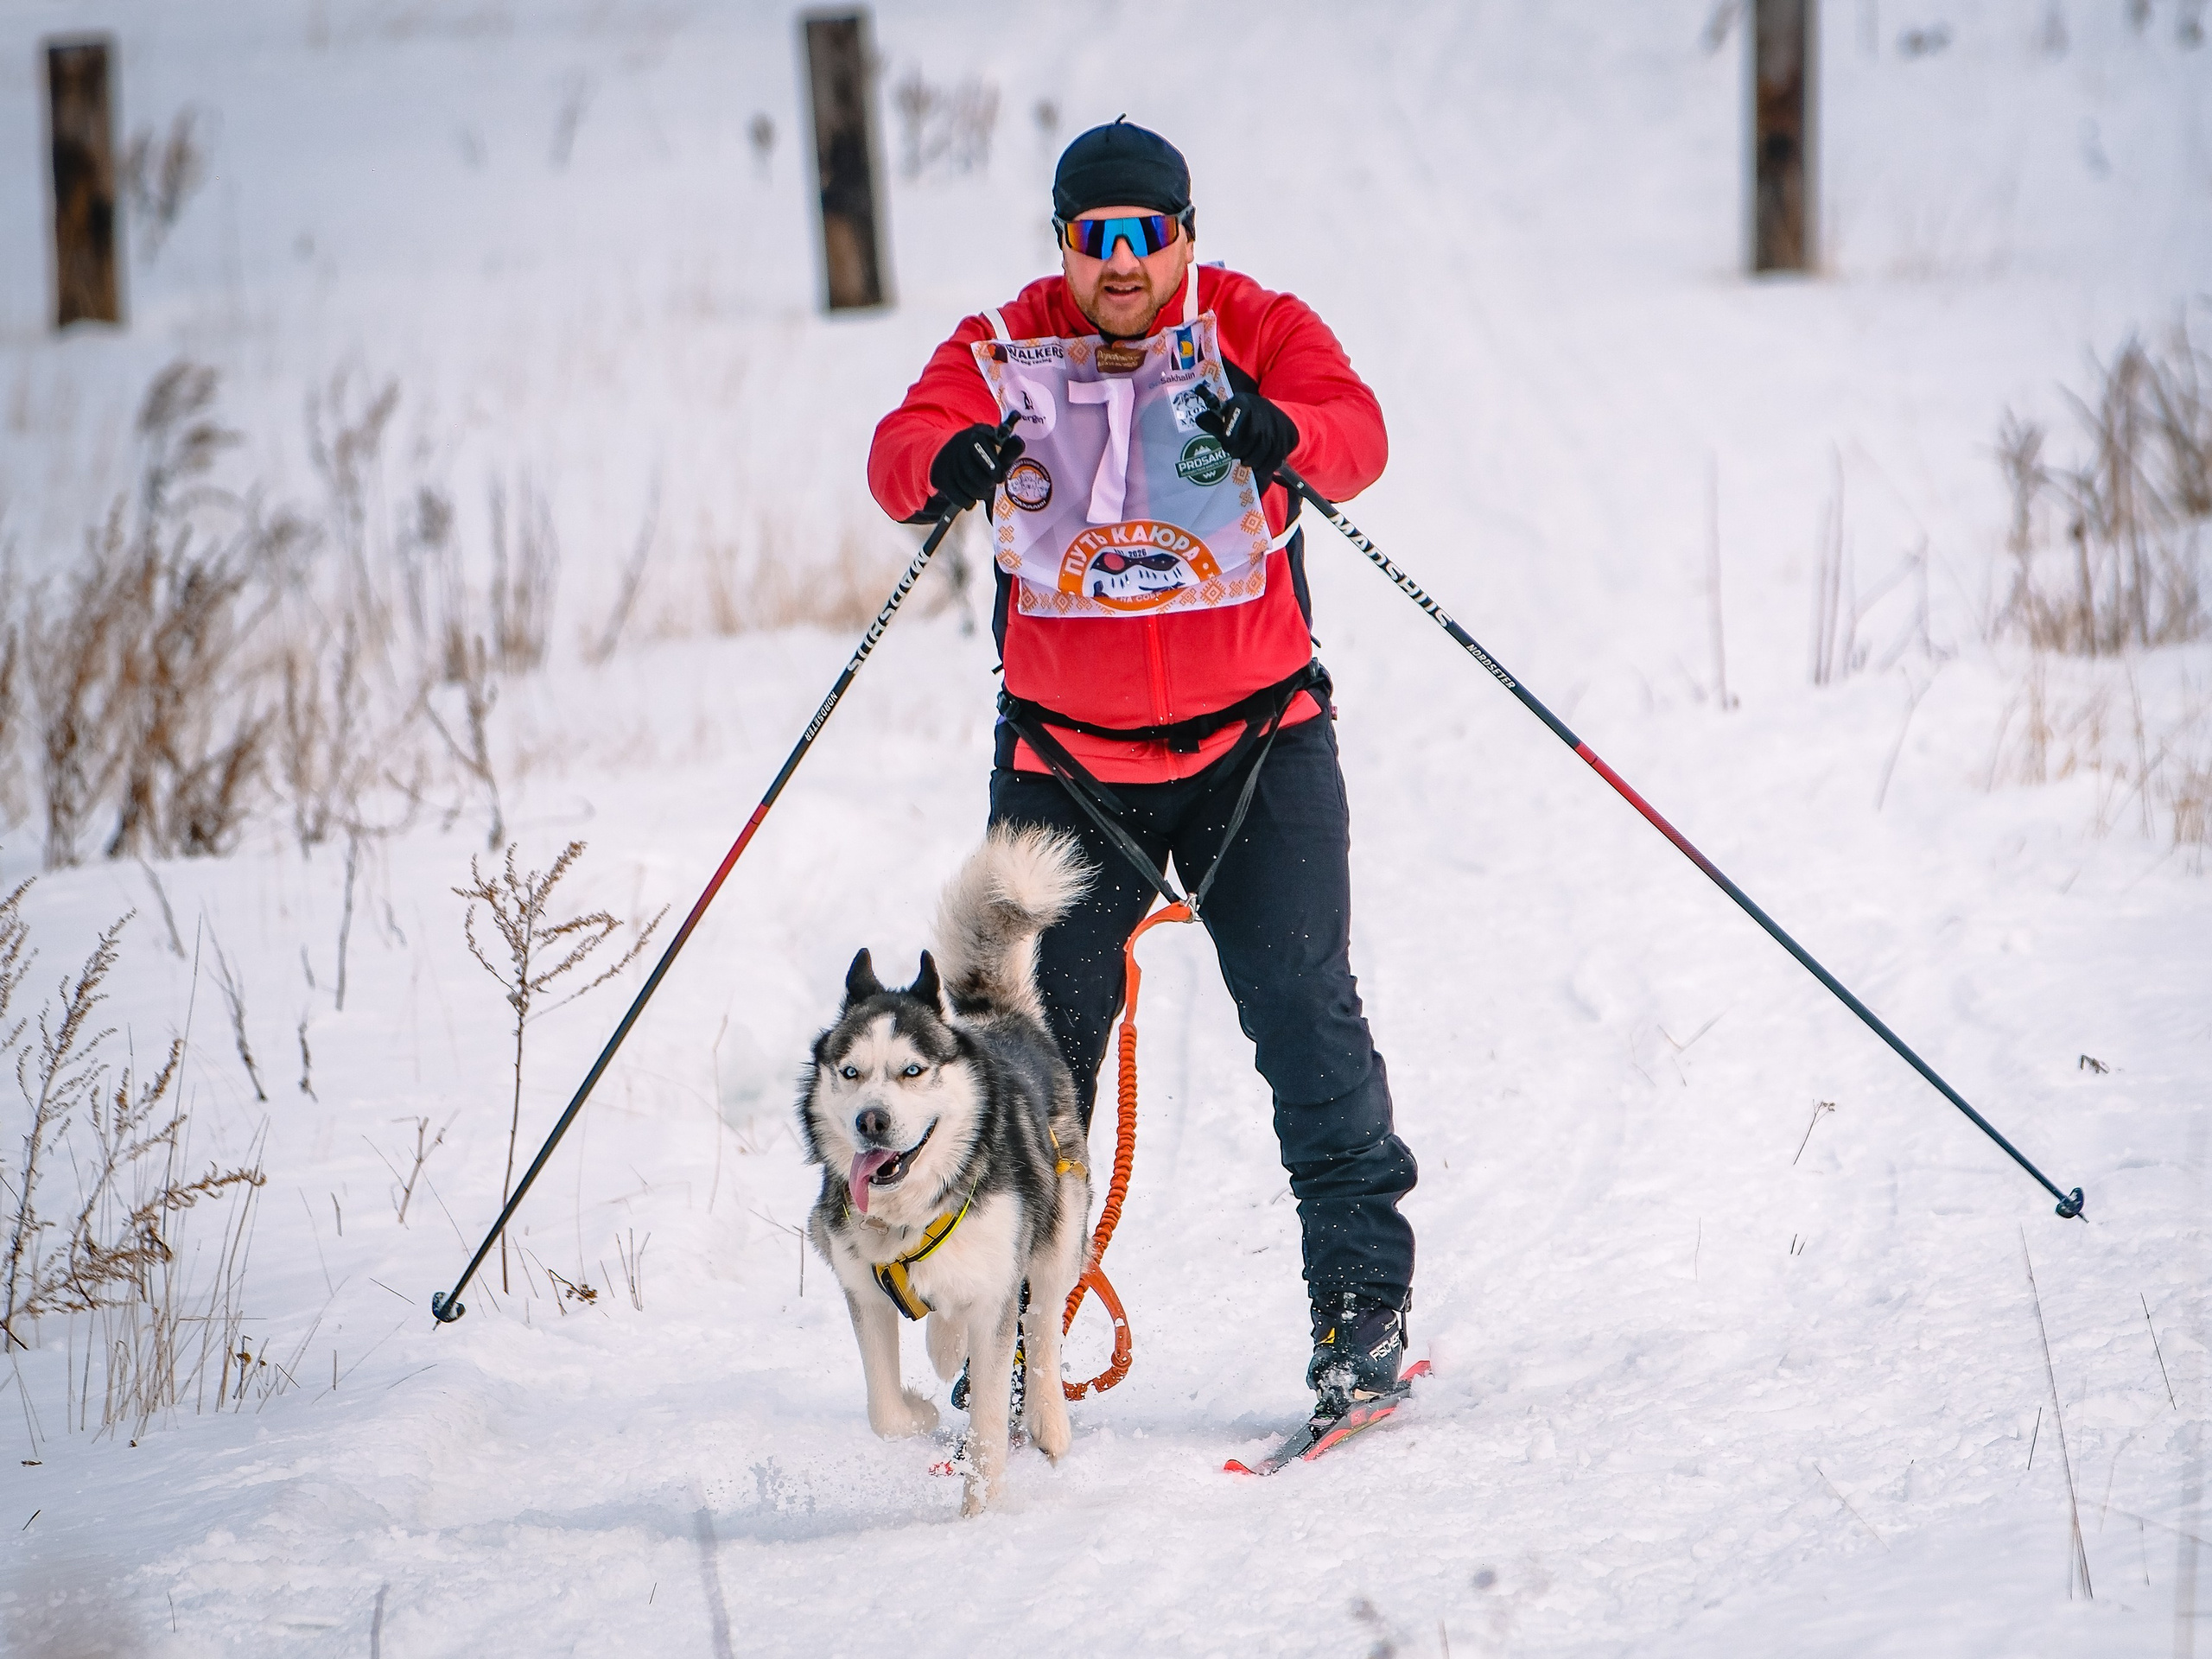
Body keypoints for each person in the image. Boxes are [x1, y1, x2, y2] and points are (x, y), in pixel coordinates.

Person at [866, 118, 1417, 1417]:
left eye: (1146, 236)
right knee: (1018, 1057)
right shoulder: (1004, 345)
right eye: (1093, 239)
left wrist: (1284, 430)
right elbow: (903, 449)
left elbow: (1358, 432)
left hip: (1256, 746)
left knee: (1304, 1015)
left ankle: (1360, 1308)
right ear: (1061, 243)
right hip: (1065, 766)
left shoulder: (1252, 323)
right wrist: (945, 464)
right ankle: (1004, 1331)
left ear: (1184, 235)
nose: (1122, 264)